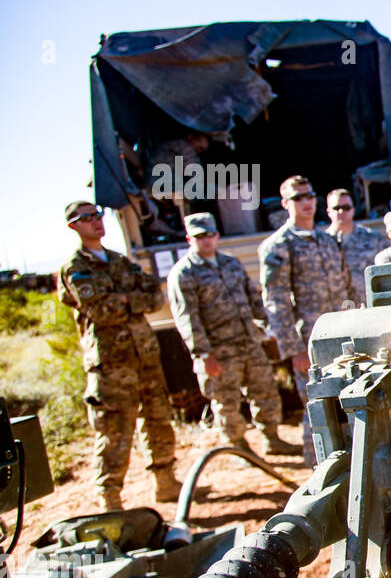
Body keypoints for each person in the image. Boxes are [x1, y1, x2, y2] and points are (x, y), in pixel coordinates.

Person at [56, 202, 181, 511]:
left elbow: (155, 295)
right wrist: (130, 300)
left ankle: (165, 482)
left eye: (98, 215)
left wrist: (125, 299)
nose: (96, 222)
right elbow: (100, 310)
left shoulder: (119, 260)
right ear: (73, 226)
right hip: (112, 364)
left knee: (158, 420)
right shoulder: (75, 266)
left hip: (145, 357)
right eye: (86, 218)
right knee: (115, 431)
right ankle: (110, 497)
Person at [167, 213, 297, 456]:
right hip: (218, 350)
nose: (205, 240)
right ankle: (238, 448)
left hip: (248, 342)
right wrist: (204, 354)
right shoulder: (184, 273)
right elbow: (187, 318)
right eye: (199, 237)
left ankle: (272, 439)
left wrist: (267, 328)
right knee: (226, 403)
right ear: (189, 239)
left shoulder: (231, 263)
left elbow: (251, 297)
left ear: (216, 236)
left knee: (265, 391)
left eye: (209, 235)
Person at [258, 176, 355, 464]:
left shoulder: (327, 240)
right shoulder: (278, 246)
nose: (306, 202)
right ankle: (319, 472)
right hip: (309, 344)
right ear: (286, 204)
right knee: (317, 407)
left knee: (348, 403)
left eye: (310, 195)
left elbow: (347, 288)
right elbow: (275, 302)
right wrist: (294, 349)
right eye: (298, 198)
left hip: (341, 337)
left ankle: (351, 469)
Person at [325, 189, 386, 301]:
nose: (341, 211)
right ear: (328, 211)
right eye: (336, 208)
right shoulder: (322, 243)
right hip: (335, 309)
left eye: (346, 208)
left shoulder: (373, 238)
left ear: (353, 210)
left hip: (367, 304)